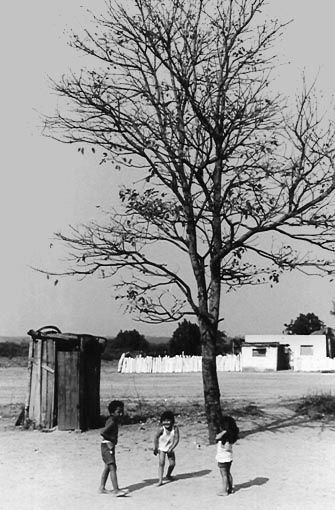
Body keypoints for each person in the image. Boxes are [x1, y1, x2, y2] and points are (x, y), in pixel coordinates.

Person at [98, 400, 128, 496]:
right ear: (112, 412)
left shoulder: (113, 420)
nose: (121, 414)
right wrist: (112, 440)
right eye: (118, 412)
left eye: (122, 411)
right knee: (112, 467)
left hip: (108, 446)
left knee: (108, 466)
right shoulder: (111, 421)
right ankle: (116, 490)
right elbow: (103, 432)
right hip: (107, 446)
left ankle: (102, 487)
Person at [153, 410, 180, 486]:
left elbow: (177, 439)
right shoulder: (161, 429)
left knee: (172, 464)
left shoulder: (175, 429)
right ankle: (160, 480)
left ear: (172, 421)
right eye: (164, 421)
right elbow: (155, 437)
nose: (166, 423)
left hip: (170, 447)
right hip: (161, 448)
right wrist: (156, 447)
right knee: (161, 463)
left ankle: (168, 475)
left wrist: (172, 447)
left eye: (168, 420)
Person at [215, 414, 239, 496]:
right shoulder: (230, 435)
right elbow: (217, 437)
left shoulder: (225, 437)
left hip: (223, 457)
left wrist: (223, 446)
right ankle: (230, 488)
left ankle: (224, 490)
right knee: (228, 473)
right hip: (229, 457)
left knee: (224, 474)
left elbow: (226, 446)